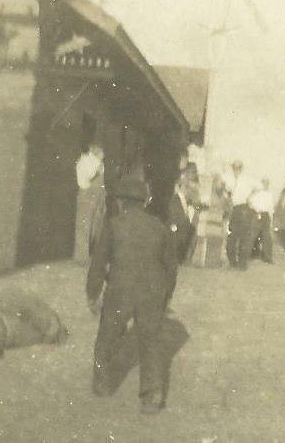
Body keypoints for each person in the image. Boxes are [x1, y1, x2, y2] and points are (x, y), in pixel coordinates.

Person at [86, 177, 178, 414]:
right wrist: (165, 296)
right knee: (150, 342)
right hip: (152, 293)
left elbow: (98, 264)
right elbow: (171, 267)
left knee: (107, 336)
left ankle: (102, 384)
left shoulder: (114, 225)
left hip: (120, 291)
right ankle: (153, 395)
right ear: (143, 202)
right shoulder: (159, 227)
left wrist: (92, 293)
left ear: (121, 202)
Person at [221, 160, 257, 270]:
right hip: (234, 209)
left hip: (244, 208)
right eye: (234, 168)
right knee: (231, 237)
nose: (236, 170)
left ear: (241, 168)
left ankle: (242, 263)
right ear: (232, 168)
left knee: (244, 238)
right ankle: (232, 262)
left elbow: (258, 187)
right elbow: (223, 189)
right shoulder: (228, 179)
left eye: (238, 168)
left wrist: (250, 197)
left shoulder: (247, 179)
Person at [74, 143, 106, 263]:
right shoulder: (84, 161)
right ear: (95, 151)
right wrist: (97, 173)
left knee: (96, 224)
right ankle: (81, 258)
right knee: (84, 225)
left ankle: (92, 255)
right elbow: (84, 182)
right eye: (101, 152)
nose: (103, 155)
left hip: (98, 195)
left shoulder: (99, 162)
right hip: (87, 195)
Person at [249, 178, 275, 264]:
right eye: (264, 183)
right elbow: (251, 203)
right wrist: (256, 211)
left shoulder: (270, 194)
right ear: (261, 184)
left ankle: (268, 257)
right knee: (253, 235)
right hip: (257, 214)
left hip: (266, 215)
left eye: (267, 183)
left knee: (267, 236)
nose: (265, 185)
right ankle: (249, 255)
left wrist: (270, 218)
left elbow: (271, 207)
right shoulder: (257, 193)